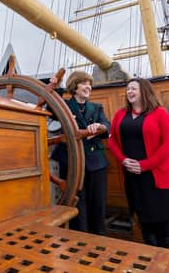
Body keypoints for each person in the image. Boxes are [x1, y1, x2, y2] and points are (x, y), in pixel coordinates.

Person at [108, 77, 169, 249]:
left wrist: (144, 165)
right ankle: (152, 259)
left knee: (164, 227)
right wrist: (123, 160)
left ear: (144, 91)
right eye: (128, 89)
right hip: (132, 177)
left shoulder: (160, 113)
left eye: (133, 89)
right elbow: (112, 141)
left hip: (156, 177)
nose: (129, 92)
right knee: (144, 222)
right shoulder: (120, 114)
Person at [50, 71, 110, 235]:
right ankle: (79, 239)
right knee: (76, 204)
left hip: (96, 163)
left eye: (89, 84)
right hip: (72, 162)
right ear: (74, 87)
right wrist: (56, 86)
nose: (88, 87)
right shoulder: (65, 106)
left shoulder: (97, 108)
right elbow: (51, 105)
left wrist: (99, 127)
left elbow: (107, 125)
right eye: (83, 83)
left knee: (98, 204)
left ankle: (99, 239)